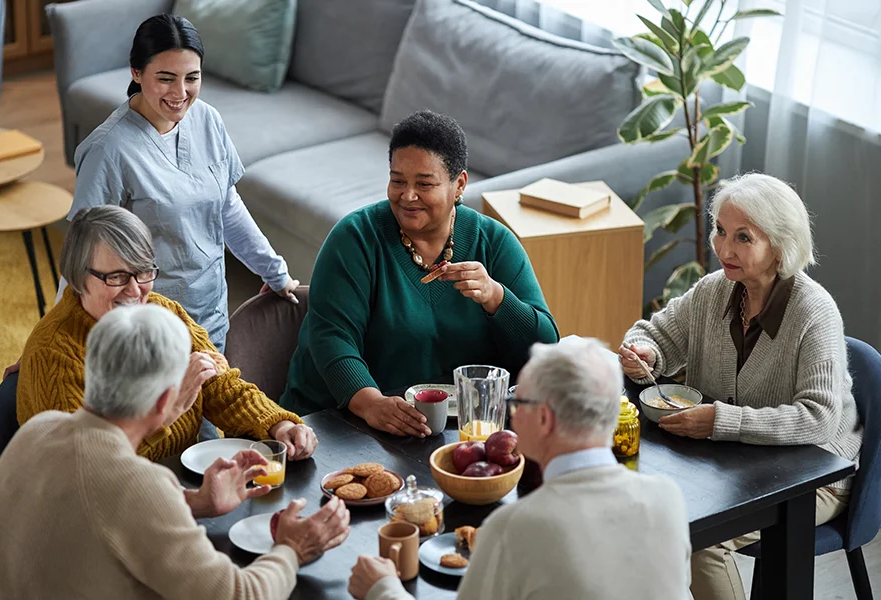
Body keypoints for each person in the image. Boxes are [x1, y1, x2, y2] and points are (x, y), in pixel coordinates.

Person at [0, 304, 350, 599]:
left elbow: (93, 511)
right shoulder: (138, 486)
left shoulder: (35, 430)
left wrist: (195, 502)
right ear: (166, 402)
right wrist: (292, 549)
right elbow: (241, 593)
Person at [618, 173, 863, 600]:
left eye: (743, 238)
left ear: (780, 248)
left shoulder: (814, 312)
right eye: (720, 230)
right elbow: (653, 335)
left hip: (814, 475)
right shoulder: (716, 290)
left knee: (702, 540)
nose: (723, 248)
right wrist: (646, 354)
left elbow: (819, 420)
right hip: (733, 463)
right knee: (640, 510)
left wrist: (719, 421)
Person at [281, 110, 559, 435]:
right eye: (397, 180)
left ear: (459, 185)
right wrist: (370, 403)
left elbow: (546, 347)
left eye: (424, 184)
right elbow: (331, 337)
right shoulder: (354, 239)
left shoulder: (495, 243)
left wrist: (497, 298)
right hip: (340, 422)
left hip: (462, 428)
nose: (407, 196)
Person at [348, 337, 691, 600]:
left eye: (517, 402)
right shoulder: (667, 499)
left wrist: (383, 589)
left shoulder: (514, 529)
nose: (510, 414)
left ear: (543, 418)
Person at [66, 14, 297, 351]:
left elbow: (227, 207)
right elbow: (81, 255)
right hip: (147, 328)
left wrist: (275, 273)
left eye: (192, 78)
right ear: (136, 72)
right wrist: (53, 340)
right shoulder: (108, 150)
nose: (180, 92)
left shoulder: (207, 119)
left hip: (213, 312)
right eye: (166, 78)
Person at [16, 205, 317, 462]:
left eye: (143, 272)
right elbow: (86, 468)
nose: (135, 291)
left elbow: (223, 389)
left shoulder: (165, 313)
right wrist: (168, 410)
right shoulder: (55, 352)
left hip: (173, 485)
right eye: (117, 276)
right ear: (78, 278)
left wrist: (278, 424)